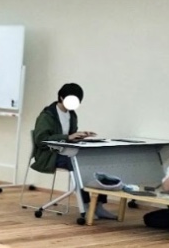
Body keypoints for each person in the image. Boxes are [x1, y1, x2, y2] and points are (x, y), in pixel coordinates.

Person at [30, 82, 114, 220]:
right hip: (49, 155)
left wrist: (80, 136)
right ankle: (85, 206)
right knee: (79, 165)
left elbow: (69, 137)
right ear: (61, 97)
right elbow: (41, 140)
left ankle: (98, 205)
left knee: (97, 161)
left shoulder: (72, 115)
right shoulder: (47, 116)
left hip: (67, 151)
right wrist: (67, 137)